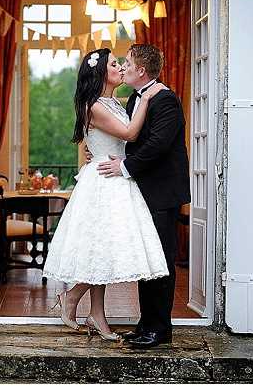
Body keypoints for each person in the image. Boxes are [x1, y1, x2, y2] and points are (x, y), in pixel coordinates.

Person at [43, 48, 169, 341]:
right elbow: (129, 134)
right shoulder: (95, 105)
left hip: (115, 178)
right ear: (101, 73)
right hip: (103, 182)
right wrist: (147, 98)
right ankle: (72, 297)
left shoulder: (113, 102)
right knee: (101, 247)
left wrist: (96, 149)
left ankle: (97, 315)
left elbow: (112, 140)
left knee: (105, 249)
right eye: (115, 64)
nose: (121, 68)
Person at [91, 44, 191, 348]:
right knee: (147, 260)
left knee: (160, 260)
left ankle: (159, 329)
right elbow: (125, 135)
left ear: (141, 71)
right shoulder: (137, 97)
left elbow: (158, 144)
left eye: (127, 64)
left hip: (162, 192)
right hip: (144, 191)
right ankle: (146, 323)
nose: (123, 67)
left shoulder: (165, 99)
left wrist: (124, 166)